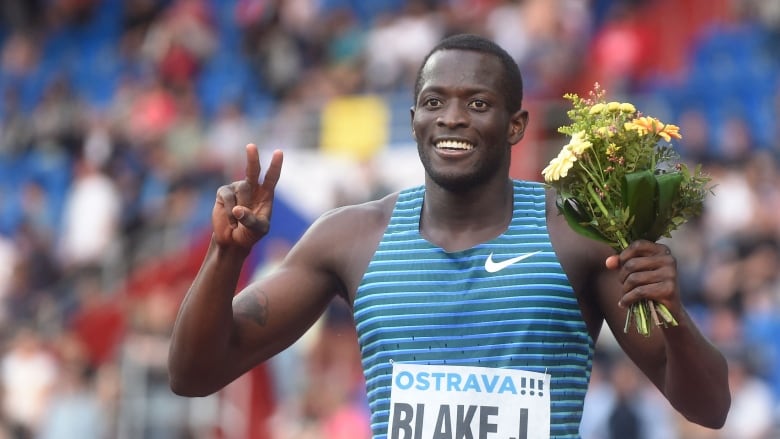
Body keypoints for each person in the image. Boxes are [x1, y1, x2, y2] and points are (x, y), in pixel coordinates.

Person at [168, 34, 730, 438]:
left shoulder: (579, 235)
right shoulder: (351, 237)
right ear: (413, 119)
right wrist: (225, 254)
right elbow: (194, 374)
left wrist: (674, 313)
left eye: (478, 103)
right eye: (434, 102)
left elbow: (707, 407)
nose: (452, 118)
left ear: (516, 126)